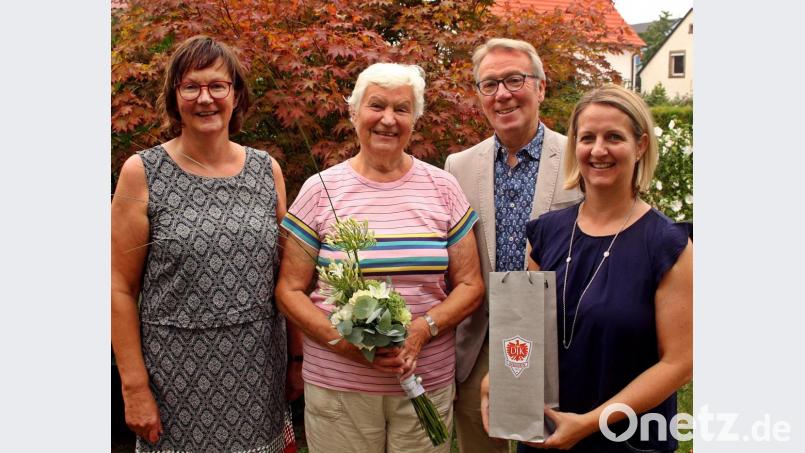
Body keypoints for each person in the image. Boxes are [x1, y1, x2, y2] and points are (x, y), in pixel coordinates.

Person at [275, 62, 484, 453]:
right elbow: (289, 290)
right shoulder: (320, 190)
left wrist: (423, 329)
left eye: (401, 109)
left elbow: (471, 286)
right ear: (354, 114)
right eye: (376, 106)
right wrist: (347, 344)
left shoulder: (443, 188)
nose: (388, 119)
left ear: (414, 120)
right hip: (340, 388)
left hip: (424, 380)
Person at [111, 35, 302, 452]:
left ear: (236, 95)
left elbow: (288, 278)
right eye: (191, 86)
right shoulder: (142, 172)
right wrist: (134, 386)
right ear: (174, 96)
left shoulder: (265, 170)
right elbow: (119, 288)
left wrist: (296, 361)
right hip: (175, 377)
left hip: (259, 373)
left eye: (217, 85)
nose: (205, 98)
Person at [481, 84, 693, 452]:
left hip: (628, 439)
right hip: (547, 433)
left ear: (640, 145)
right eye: (587, 137)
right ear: (574, 146)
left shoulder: (667, 245)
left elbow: (680, 362)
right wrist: (497, 377)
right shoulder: (546, 233)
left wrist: (591, 423)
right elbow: (525, 330)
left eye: (614, 137)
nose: (598, 150)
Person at [443, 38, 583, 453]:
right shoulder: (459, 166)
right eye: (490, 84)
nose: (502, 94)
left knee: (550, 442)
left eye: (514, 80)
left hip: (557, 339)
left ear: (541, 88)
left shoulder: (580, 157)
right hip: (481, 339)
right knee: (479, 442)